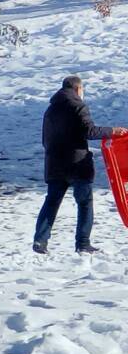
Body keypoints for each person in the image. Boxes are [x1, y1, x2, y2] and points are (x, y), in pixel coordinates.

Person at [33, 75, 127, 254]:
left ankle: (40, 240)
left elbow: (45, 139)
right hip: (77, 163)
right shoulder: (78, 106)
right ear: (78, 89)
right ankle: (83, 243)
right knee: (85, 203)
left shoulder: (50, 110)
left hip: (54, 164)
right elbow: (89, 131)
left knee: (51, 202)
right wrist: (112, 131)